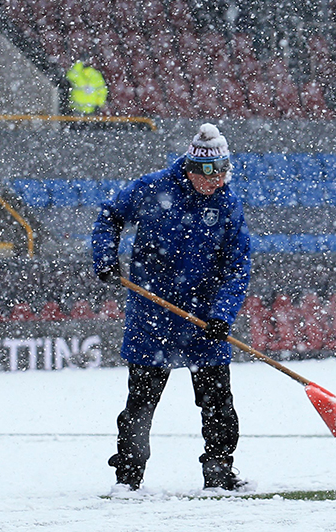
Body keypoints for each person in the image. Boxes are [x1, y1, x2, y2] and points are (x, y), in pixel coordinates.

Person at [92, 123, 252, 492]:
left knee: (218, 404)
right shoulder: (153, 188)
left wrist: (222, 316)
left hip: (204, 320)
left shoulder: (228, 204)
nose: (216, 182)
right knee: (141, 403)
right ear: (192, 169)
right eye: (209, 175)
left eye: (222, 173)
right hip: (152, 317)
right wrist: (105, 258)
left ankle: (219, 472)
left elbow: (237, 268)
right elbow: (110, 216)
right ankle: (128, 478)